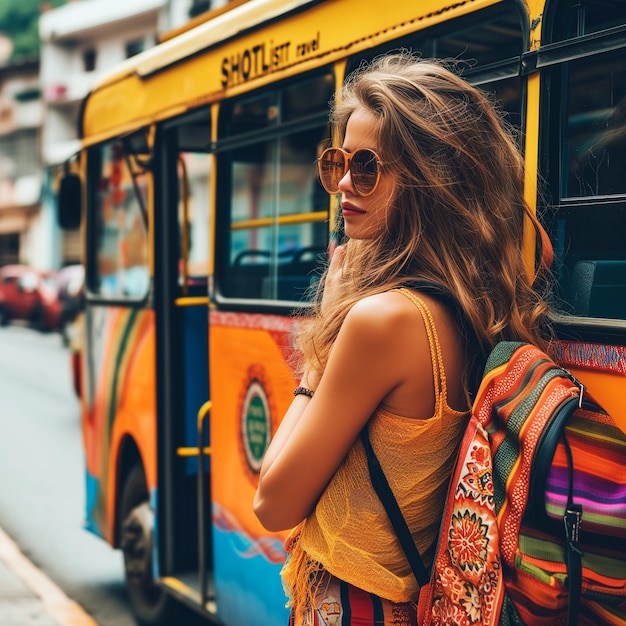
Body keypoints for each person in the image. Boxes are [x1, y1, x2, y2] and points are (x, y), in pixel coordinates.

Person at [254, 52, 552, 626]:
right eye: (337, 162)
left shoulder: (383, 321)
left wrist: (324, 338)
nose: (343, 182)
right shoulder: (479, 299)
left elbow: (273, 501)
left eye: (367, 168)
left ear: (428, 182)